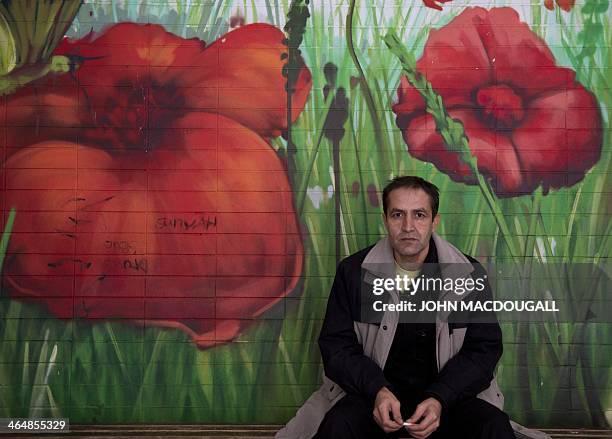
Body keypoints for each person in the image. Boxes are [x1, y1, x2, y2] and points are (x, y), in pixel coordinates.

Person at [276, 176, 524, 439]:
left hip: (449, 402)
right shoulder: (353, 273)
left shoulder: (468, 274)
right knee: (338, 425)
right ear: (385, 219)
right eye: (398, 215)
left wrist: (440, 398)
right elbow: (336, 347)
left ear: (434, 221)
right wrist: (378, 391)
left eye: (419, 215)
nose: (408, 226)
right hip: (372, 400)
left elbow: (483, 351)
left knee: (493, 427)